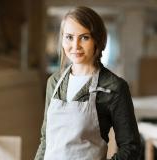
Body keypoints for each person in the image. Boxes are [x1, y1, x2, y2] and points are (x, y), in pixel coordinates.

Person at [35, 6, 141, 160]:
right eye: (69, 37)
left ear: (97, 40)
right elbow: (45, 140)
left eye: (84, 37)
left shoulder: (113, 87)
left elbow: (131, 147)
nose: (75, 45)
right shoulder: (54, 82)